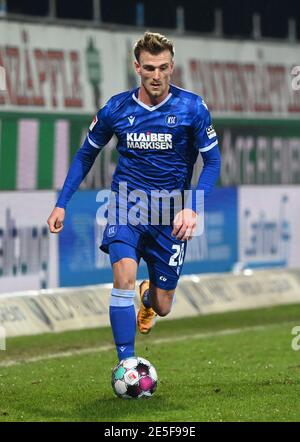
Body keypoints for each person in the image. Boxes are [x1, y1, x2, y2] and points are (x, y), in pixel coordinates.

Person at [47, 32, 221, 362]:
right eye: (150, 68)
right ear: (136, 67)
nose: (157, 76)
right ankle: (127, 362)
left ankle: (149, 298)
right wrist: (61, 202)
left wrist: (193, 208)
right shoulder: (116, 108)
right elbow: (86, 155)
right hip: (126, 206)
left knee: (164, 305)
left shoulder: (192, 108)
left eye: (164, 68)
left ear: (172, 67)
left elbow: (212, 160)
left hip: (169, 216)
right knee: (123, 277)